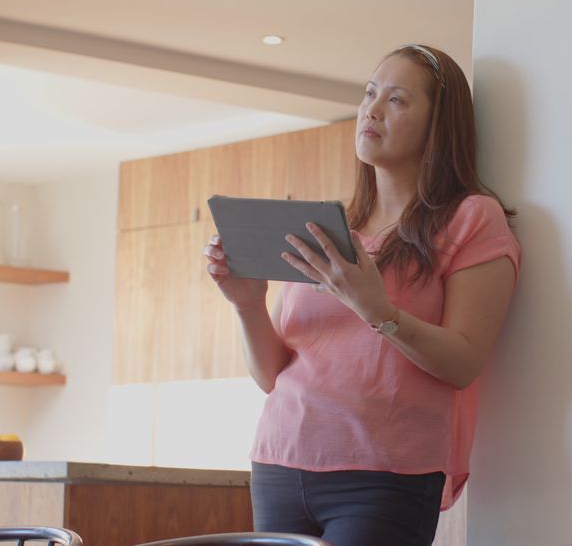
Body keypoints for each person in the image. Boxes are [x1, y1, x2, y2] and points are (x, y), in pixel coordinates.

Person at [202, 44, 520, 546]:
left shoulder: (472, 218)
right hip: (280, 461)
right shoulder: (328, 228)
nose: (371, 110)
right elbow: (272, 375)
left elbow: (463, 362)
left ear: (438, 126)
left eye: (396, 100)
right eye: (370, 93)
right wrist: (247, 304)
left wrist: (377, 309)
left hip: (385, 474)